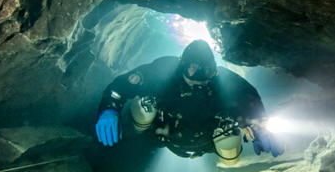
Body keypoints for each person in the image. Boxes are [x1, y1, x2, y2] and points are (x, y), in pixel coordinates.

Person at [95, 40, 284, 164]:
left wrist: (260, 126)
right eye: (193, 69)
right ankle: (136, 132)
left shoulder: (224, 82)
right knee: (143, 108)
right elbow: (120, 87)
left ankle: (228, 153)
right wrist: (109, 110)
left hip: (208, 142)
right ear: (182, 66)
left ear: (214, 70)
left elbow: (249, 98)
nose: (200, 78)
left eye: (207, 71)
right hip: (160, 135)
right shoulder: (163, 72)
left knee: (230, 142)